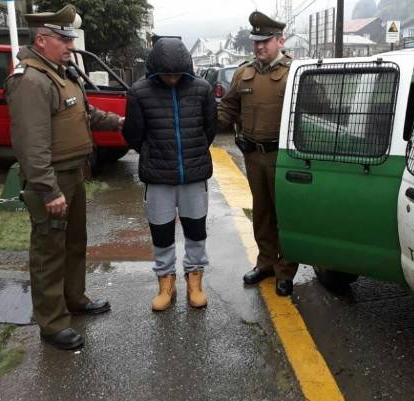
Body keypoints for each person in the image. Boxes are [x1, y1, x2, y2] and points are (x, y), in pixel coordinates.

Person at [5, 5, 123, 350]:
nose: (70, 45)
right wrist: (47, 189)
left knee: (74, 244)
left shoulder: (60, 74)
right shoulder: (30, 81)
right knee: (49, 252)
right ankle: (52, 323)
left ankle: (74, 299)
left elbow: (84, 114)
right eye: (63, 38)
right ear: (42, 40)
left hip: (73, 174)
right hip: (52, 180)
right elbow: (31, 144)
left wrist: (117, 122)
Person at [123, 37, 216, 311]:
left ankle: (195, 279)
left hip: (194, 175)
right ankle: (166, 282)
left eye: (178, 74)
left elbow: (210, 129)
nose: (172, 79)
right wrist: (153, 154)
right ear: (155, 70)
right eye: (167, 74)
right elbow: (133, 134)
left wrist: (192, 153)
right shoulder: (139, 92)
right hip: (158, 177)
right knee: (161, 232)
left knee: (196, 231)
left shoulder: (202, 89)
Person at [218, 11, 298, 296]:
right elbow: (228, 108)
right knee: (261, 212)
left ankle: (285, 270)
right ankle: (265, 263)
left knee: (285, 214)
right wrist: (206, 125)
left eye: (265, 41)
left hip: (283, 158)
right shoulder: (244, 73)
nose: (259, 46)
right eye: (256, 42)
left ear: (280, 40)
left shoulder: (294, 73)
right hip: (253, 156)